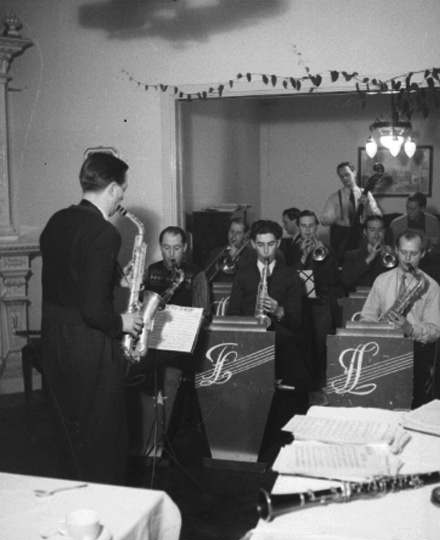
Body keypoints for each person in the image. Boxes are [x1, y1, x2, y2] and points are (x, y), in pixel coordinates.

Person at [40, 152, 144, 484]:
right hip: (89, 345)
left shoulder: (57, 220)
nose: (122, 198)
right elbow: (94, 310)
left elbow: (69, 273)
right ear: (112, 188)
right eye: (122, 190)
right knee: (103, 436)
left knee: (69, 433)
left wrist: (115, 278)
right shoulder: (105, 232)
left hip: (54, 339)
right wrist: (123, 322)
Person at [131, 226, 209, 453]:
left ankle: (164, 441)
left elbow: (203, 315)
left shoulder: (197, 275)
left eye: (176, 248)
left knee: (170, 383)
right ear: (160, 247)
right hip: (152, 341)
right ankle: (146, 440)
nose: (171, 254)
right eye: (166, 248)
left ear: (184, 248)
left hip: (180, 347)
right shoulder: (151, 271)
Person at [227, 220, 309, 435]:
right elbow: (232, 315)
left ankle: (286, 435)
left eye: (271, 244)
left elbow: (297, 323)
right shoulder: (243, 274)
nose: (266, 251)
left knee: (299, 381)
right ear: (253, 244)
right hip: (249, 342)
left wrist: (279, 311)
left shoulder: (290, 275)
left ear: (278, 243)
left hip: (281, 342)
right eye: (261, 245)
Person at [360, 229, 440, 408]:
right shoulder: (382, 280)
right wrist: (375, 330)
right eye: (403, 252)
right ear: (396, 250)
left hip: (415, 351)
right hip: (381, 349)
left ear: (423, 253)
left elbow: (435, 331)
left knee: (412, 405)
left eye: (414, 253)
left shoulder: (432, 287)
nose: (407, 258)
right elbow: (367, 315)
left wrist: (410, 329)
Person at [285, 210, 344, 405]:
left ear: (317, 227)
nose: (308, 230)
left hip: (320, 303)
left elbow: (334, 279)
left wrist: (324, 257)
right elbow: (289, 279)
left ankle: (321, 384)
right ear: (298, 227)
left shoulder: (327, 250)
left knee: (321, 341)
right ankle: (308, 387)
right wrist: (303, 257)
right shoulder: (290, 250)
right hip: (299, 304)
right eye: (303, 226)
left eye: (311, 226)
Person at [320, 161, 382, 263]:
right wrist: (335, 216)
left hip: (361, 238)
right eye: (341, 176)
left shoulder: (366, 193)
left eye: (347, 175)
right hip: (342, 239)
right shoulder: (335, 197)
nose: (344, 178)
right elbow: (323, 220)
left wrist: (368, 206)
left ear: (354, 173)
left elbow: (379, 217)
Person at [341, 215, 392, 294]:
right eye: (372, 230)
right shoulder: (351, 255)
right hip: (360, 299)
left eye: (380, 230)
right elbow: (346, 281)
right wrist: (368, 259)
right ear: (365, 232)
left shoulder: (391, 255)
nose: (377, 234)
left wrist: (390, 259)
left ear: (385, 231)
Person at [387, 192, 440, 256]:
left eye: (413, 209)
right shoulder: (396, 223)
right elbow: (391, 249)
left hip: (428, 258)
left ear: (422, 209)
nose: (409, 212)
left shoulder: (433, 221)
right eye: (407, 208)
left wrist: (433, 244)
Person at [204, 218, 254, 283]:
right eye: (231, 231)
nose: (233, 236)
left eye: (238, 233)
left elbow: (251, 278)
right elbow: (205, 279)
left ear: (245, 235)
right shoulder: (215, 253)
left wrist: (238, 258)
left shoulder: (252, 255)